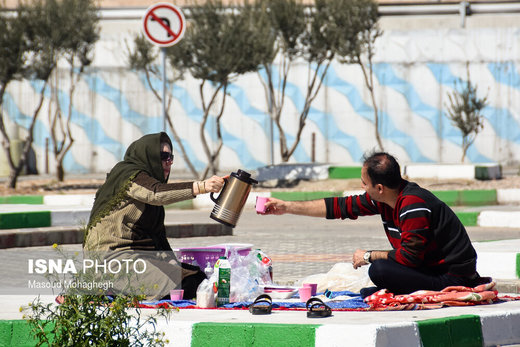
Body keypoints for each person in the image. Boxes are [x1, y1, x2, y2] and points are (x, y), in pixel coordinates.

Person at [262, 151, 491, 298]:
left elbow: (409, 258)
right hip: (427, 268)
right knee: (378, 277)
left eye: (365, 184)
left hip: (451, 276)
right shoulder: (383, 198)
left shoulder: (413, 204)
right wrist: (287, 207)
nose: (363, 188)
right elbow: (340, 207)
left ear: (379, 187)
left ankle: (420, 289)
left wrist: (370, 255)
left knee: (379, 270)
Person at [83, 132, 225, 300]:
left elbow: (157, 238)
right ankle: (100, 286)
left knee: (197, 278)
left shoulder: (150, 188)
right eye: (163, 156)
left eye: (171, 157)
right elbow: (155, 193)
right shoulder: (128, 175)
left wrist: (172, 263)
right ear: (148, 156)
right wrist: (202, 186)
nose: (169, 162)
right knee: (184, 285)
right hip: (112, 260)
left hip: (138, 258)